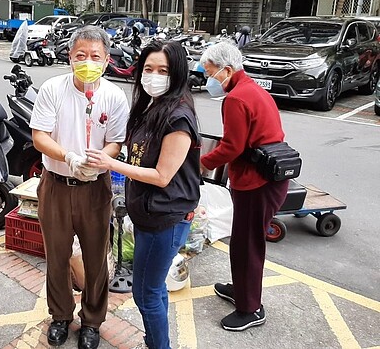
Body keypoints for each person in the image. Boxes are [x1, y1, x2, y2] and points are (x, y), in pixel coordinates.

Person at [86, 39, 201, 349]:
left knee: (145, 294)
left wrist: (112, 163)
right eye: (148, 68)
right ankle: (156, 341)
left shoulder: (177, 118)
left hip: (166, 217)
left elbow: (163, 176)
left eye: (163, 70)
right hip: (150, 213)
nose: (154, 75)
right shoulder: (153, 107)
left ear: (176, 73)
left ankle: (158, 346)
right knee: (154, 288)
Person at [30, 25, 129, 349]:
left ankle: (92, 321)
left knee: (95, 259)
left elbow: (116, 141)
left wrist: (100, 159)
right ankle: (60, 316)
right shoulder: (53, 89)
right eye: (81, 55)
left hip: (95, 189)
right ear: (70, 57)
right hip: (56, 185)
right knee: (56, 257)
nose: (88, 61)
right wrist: (69, 157)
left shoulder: (113, 96)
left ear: (107, 59)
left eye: (95, 56)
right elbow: (40, 136)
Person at [199, 41, 290, 331]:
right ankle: (241, 290)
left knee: (247, 244)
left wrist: (201, 162)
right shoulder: (251, 89)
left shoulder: (236, 98)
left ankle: (251, 309)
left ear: (227, 70)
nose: (208, 80)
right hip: (266, 177)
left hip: (256, 183)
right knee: (242, 241)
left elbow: (232, 147)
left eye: (211, 73)